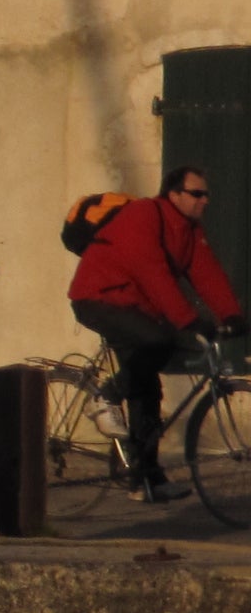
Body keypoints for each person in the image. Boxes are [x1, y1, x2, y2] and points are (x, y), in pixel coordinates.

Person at [68, 164, 246, 503]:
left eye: (206, 194)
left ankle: (146, 480)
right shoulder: (143, 215)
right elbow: (153, 273)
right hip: (99, 298)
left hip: (136, 308)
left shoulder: (189, 231)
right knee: (156, 341)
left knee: (148, 389)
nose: (204, 200)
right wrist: (189, 320)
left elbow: (207, 273)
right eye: (197, 194)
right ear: (174, 194)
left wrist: (231, 315)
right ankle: (106, 394)